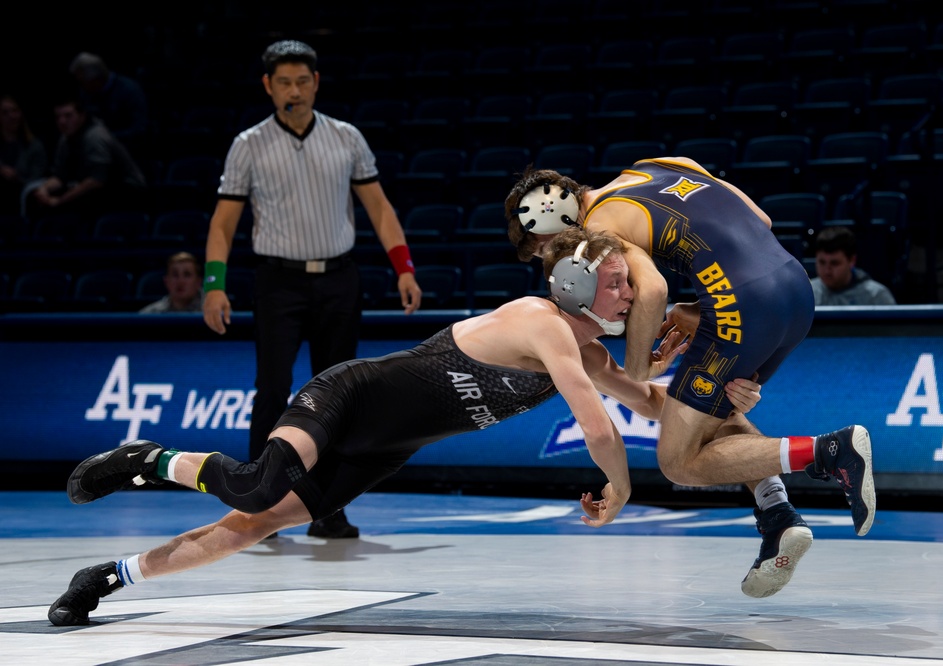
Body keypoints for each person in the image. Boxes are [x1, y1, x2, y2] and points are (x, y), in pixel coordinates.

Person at [47, 228, 765, 626]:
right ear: (575, 285)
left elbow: (654, 406)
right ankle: (146, 458)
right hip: (349, 397)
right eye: (619, 282)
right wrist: (620, 488)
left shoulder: (590, 353)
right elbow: (599, 427)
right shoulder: (541, 322)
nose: (633, 294)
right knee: (258, 485)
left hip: (382, 449)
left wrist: (721, 391)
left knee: (252, 526)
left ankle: (108, 576)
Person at [505, 162, 876, 598]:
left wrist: (640, 367)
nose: (566, 262)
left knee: (677, 461)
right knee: (711, 414)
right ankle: (778, 516)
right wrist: (700, 306)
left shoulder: (599, 224)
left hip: (740, 306)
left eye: (550, 251)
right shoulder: (654, 166)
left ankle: (827, 452)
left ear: (555, 218)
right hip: (795, 289)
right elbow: (759, 221)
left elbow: (653, 290)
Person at [201, 40, 423, 540]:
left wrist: (404, 268)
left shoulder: (345, 137)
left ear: (316, 82)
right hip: (278, 281)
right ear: (268, 86)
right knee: (272, 389)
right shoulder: (248, 144)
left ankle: (327, 509)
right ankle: (258, 508)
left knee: (339, 396)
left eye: (303, 81)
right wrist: (214, 284)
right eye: (284, 82)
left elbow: (380, 208)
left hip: (339, 279)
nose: (294, 91)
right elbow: (223, 222)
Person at [25, 95, 146, 225]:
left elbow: (97, 180)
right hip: (96, 188)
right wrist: (44, 189)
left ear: (81, 116)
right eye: (58, 117)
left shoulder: (95, 136)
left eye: (68, 116)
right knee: (36, 198)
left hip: (126, 190)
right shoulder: (65, 140)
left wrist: (60, 201)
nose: (62, 121)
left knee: (79, 203)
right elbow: (60, 176)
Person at [68, 52, 149, 157]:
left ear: (96, 79)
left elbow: (140, 129)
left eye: (83, 82)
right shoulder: (86, 93)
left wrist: (106, 138)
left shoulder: (129, 90)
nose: (81, 87)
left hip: (129, 152)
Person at [811, 226, 897, 306]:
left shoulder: (876, 296)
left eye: (835, 263)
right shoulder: (807, 293)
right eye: (822, 262)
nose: (827, 270)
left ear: (852, 261)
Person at [0, 94, 47, 216]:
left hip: (21, 201)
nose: (11, 116)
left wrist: (17, 178)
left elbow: (38, 179)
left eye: (14, 111)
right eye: (5, 113)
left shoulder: (34, 146)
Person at [138, 251, 204, 313]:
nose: (180, 281)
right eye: (175, 275)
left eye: (187, 275)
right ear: (166, 281)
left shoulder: (208, 311)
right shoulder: (150, 314)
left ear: (198, 282)